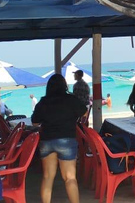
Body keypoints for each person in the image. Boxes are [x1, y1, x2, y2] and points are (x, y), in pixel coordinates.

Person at [32, 74, 86, 203]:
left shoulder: (43, 102)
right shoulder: (71, 99)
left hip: (47, 141)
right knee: (70, 178)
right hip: (66, 140)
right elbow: (84, 112)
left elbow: (35, 122)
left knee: (47, 177)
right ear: (64, 86)